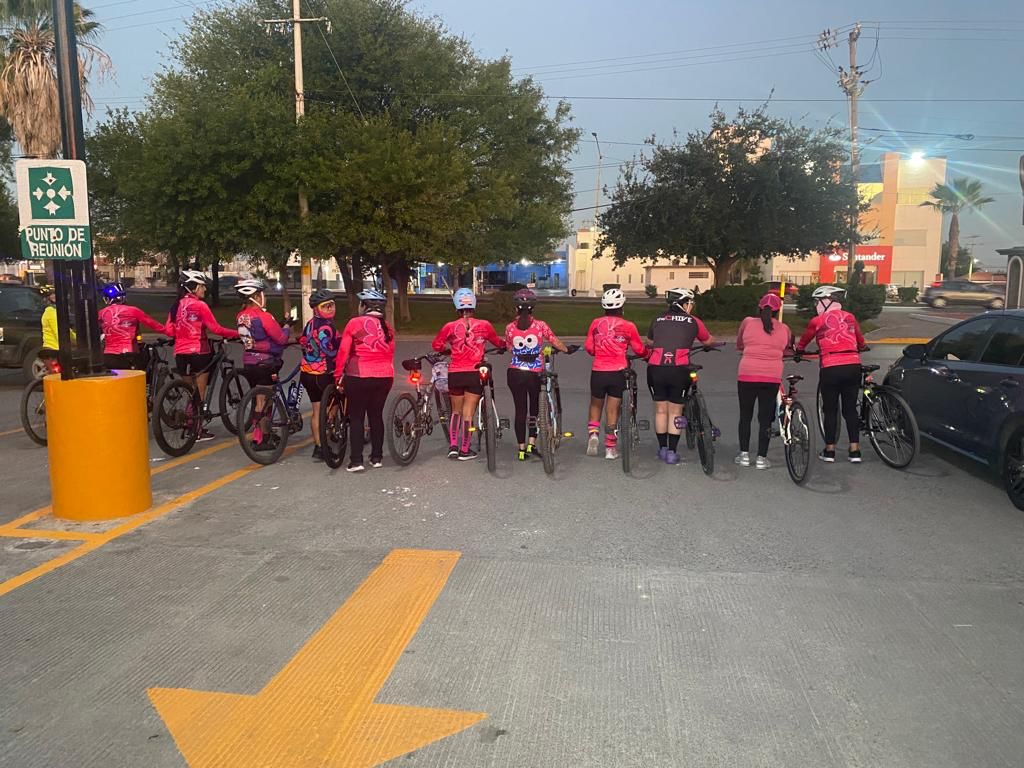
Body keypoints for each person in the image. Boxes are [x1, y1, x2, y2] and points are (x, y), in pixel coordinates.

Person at [431, 288, 505, 461]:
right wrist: (502, 346)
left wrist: (447, 350)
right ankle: (465, 449)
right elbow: (498, 342)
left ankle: (453, 447)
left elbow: (437, 345)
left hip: (455, 373)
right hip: (474, 372)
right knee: (468, 413)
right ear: (474, 306)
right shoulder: (484, 325)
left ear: (457, 307)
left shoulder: (449, 326)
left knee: (455, 411)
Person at [795, 285, 866, 463]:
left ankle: (830, 450)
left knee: (830, 410)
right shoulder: (850, 317)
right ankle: (855, 450)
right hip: (853, 366)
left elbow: (804, 341)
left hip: (830, 368)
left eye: (817, 301)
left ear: (825, 302)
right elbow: (860, 339)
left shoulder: (817, 321)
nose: (816, 305)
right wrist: (862, 347)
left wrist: (799, 351)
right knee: (850, 409)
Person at [166, 270, 240, 441]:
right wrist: (236, 334)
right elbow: (216, 329)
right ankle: (197, 429)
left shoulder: (175, 306)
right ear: (194, 288)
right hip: (200, 351)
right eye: (202, 286)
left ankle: (189, 420)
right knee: (200, 393)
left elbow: (169, 331)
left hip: (181, 353)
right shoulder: (200, 306)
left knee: (190, 391)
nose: (205, 290)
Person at [504, 288, 574, 462]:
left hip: (515, 371)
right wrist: (567, 350)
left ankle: (520, 450)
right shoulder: (540, 325)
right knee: (534, 409)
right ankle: (531, 444)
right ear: (533, 309)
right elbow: (554, 340)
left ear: (516, 309)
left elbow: (509, 347)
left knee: (519, 410)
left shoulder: (510, 328)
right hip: (534, 372)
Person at [647, 288, 714, 464]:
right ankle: (672, 452)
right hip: (679, 368)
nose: (691, 307)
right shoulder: (693, 321)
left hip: (656, 367)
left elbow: (650, 342)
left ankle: (662, 449)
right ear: (683, 303)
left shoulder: (658, 318)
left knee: (661, 409)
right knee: (675, 411)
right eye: (690, 303)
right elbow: (708, 340)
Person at [336, 289, 395, 472]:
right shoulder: (388, 327)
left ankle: (356, 461)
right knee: (376, 416)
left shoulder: (354, 323)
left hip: (359, 375)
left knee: (357, 417)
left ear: (363, 306)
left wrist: (338, 375)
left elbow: (343, 352)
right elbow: (390, 353)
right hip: (384, 377)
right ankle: (376, 457)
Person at [584, 288, 647, 460]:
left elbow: (590, 348)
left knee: (596, 404)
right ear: (622, 308)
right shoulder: (629, 326)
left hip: (598, 371)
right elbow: (639, 349)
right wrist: (647, 354)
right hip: (618, 372)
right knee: (612, 410)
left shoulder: (595, 323)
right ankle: (610, 448)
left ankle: (593, 434)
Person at [734, 293, 793, 470]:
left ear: (760, 308)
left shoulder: (747, 323)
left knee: (745, 415)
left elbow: (739, 344)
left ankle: (744, 455)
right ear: (778, 311)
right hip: (772, 376)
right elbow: (788, 350)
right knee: (765, 418)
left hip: (747, 373)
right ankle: (761, 457)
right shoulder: (785, 329)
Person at [236, 278, 293, 452]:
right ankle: (260, 439)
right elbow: (281, 339)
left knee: (258, 399)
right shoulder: (264, 316)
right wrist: (287, 326)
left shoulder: (240, 316)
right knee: (264, 402)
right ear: (256, 296)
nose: (264, 297)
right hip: (266, 362)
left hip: (249, 362)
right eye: (262, 294)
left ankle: (264, 434)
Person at [299, 289, 341, 462]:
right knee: (334, 403)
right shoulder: (327, 326)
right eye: (326, 306)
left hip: (306, 372)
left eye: (332, 305)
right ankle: (328, 432)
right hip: (323, 373)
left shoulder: (309, 324)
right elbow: (330, 351)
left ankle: (318, 446)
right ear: (316, 309)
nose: (330, 309)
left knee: (316, 410)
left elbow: (302, 341)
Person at [98, 282, 166, 371]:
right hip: (129, 354)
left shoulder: (101, 313)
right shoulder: (133, 311)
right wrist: (170, 332)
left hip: (108, 355)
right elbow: (153, 324)